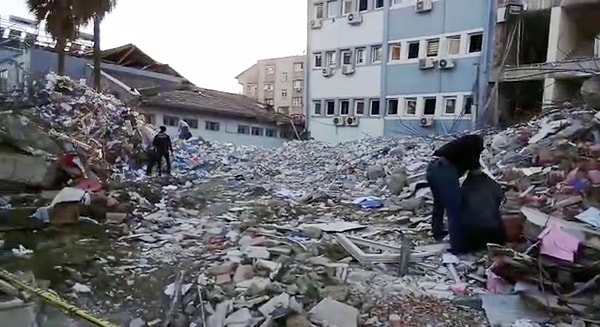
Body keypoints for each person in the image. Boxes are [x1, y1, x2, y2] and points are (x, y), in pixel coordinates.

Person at [426, 134, 484, 253]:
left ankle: (437, 232)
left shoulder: (462, 147)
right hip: (445, 171)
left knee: (439, 203)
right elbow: (476, 171)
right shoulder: (474, 148)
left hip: (432, 168)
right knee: (455, 210)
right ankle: (458, 246)